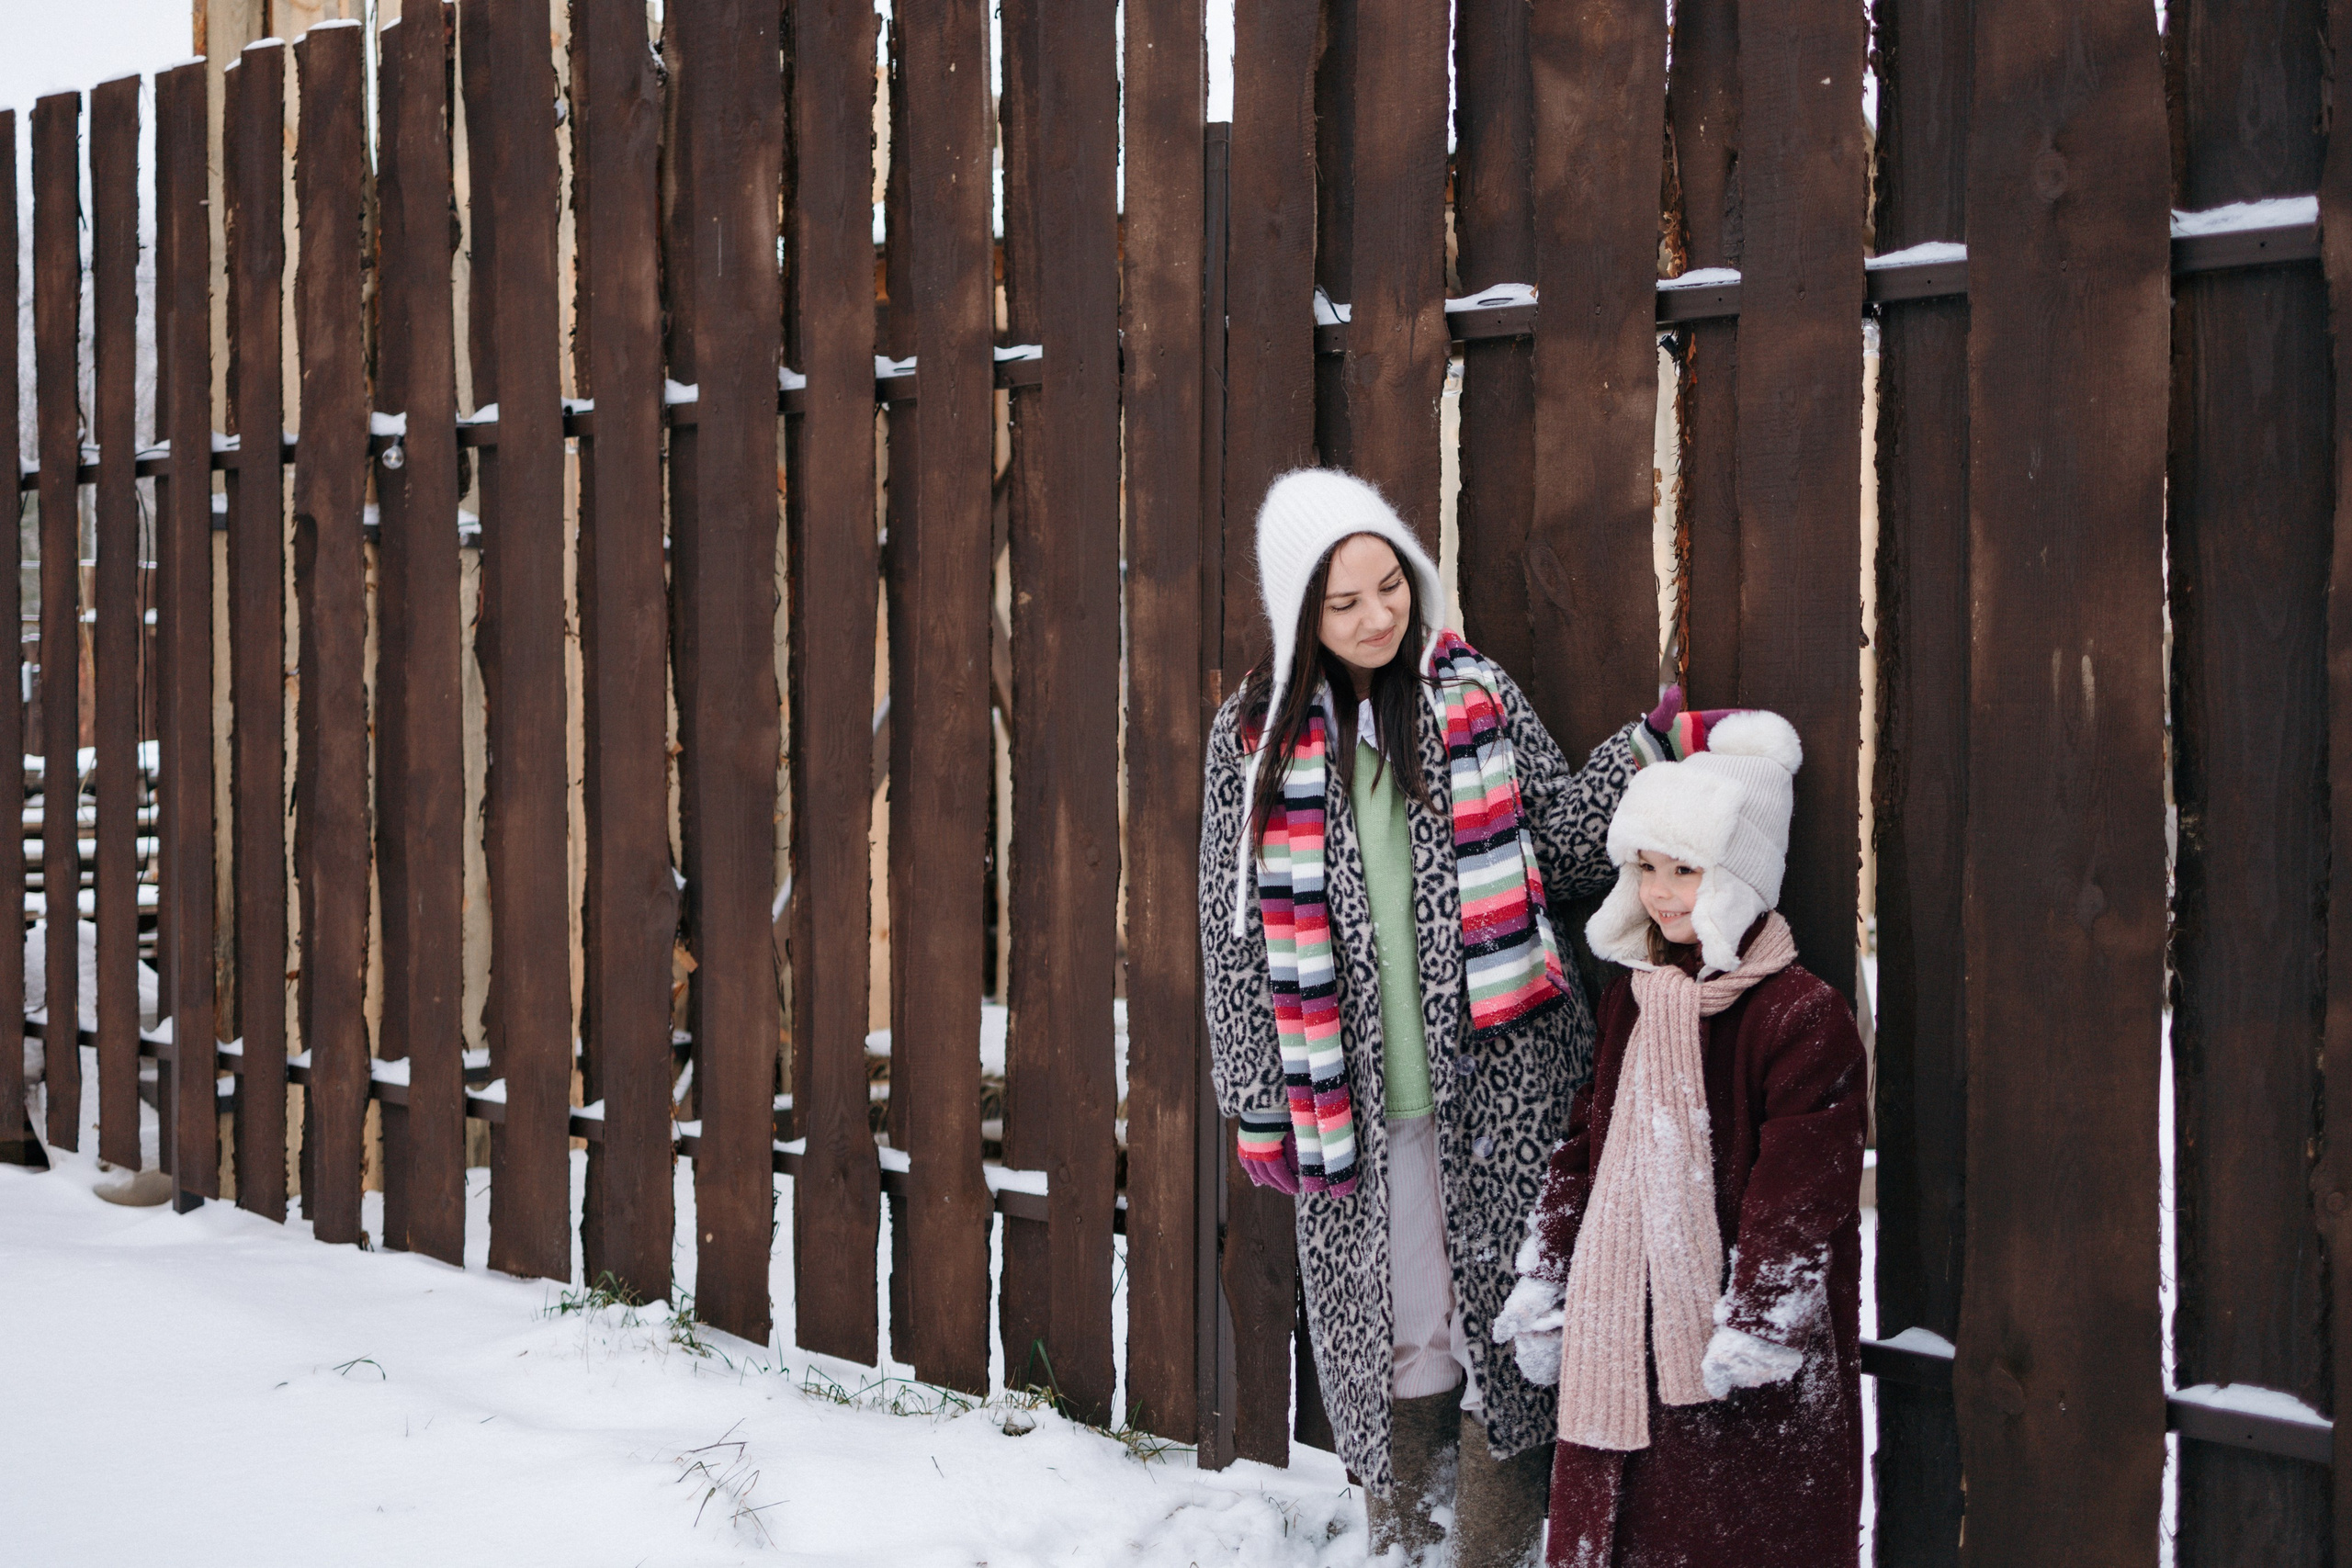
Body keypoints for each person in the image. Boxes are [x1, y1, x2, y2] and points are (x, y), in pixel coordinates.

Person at [1200, 468, 1687, 1566]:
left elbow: (1557, 847)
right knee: (1401, 1339)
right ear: (1298, 612)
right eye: (1345, 603)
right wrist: (1255, 1104)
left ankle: (1494, 1555)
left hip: (1504, 1087)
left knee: (1504, 1337)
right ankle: (1411, 1547)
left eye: (1390, 587)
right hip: (1354, 1115)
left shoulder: (1469, 693)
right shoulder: (1249, 740)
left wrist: (1643, 752)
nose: (1378, 617)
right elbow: (1230, 939)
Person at [1489, 710, 1867, 1568]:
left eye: (1687, 869)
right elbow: (1587, 1140)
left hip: (1733, 1362)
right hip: (1621, 1337)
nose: (1662, 892)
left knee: (1724, 1535)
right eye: (1647, 867)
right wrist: (1549, 1274)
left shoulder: (1800, 1016)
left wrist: (1763, 1319)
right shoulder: (1635, 995)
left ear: (1738, 872)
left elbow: (1803, 1185)